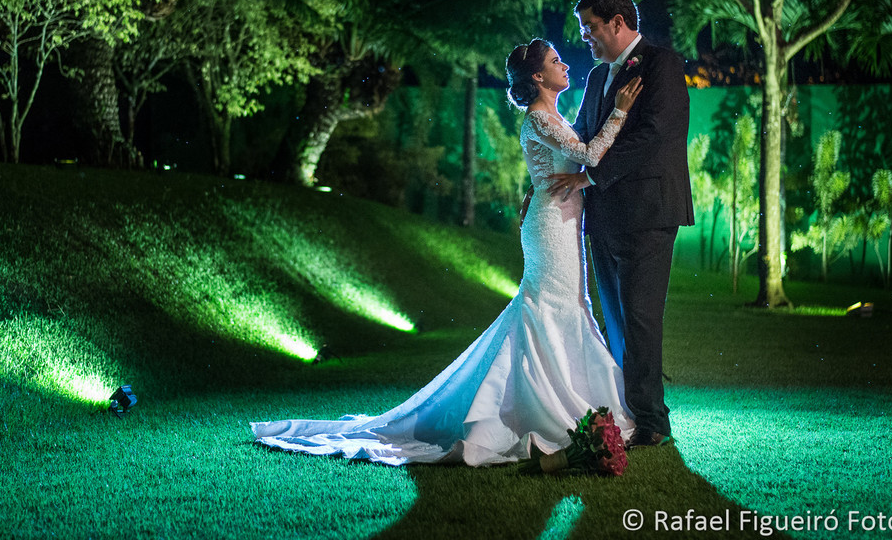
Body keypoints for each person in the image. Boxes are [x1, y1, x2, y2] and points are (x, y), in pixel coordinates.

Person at [250, 39, 643, 466]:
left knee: (567, 305)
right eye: (555, 61)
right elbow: (589, 155)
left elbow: (564, 164)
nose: (564, 65)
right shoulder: (538, 118)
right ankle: (542, 409)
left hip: (562, 222)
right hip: (550, 227)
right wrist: (620, 111)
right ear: (537, 76)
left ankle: (569, 400)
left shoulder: (553, 116)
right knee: (550, 306)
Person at [547, 0, 693, 448]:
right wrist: (546, 178)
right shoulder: (596, 78)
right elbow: (584, 136)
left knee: (640, 317)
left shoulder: (661, 64)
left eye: (590, 26)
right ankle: (626, 414)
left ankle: (653, 422)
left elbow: (654, 134)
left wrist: (591, 177)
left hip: (648, 211)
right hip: (604, 216)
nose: (585, 36)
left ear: (617, 22)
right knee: (615, 319)